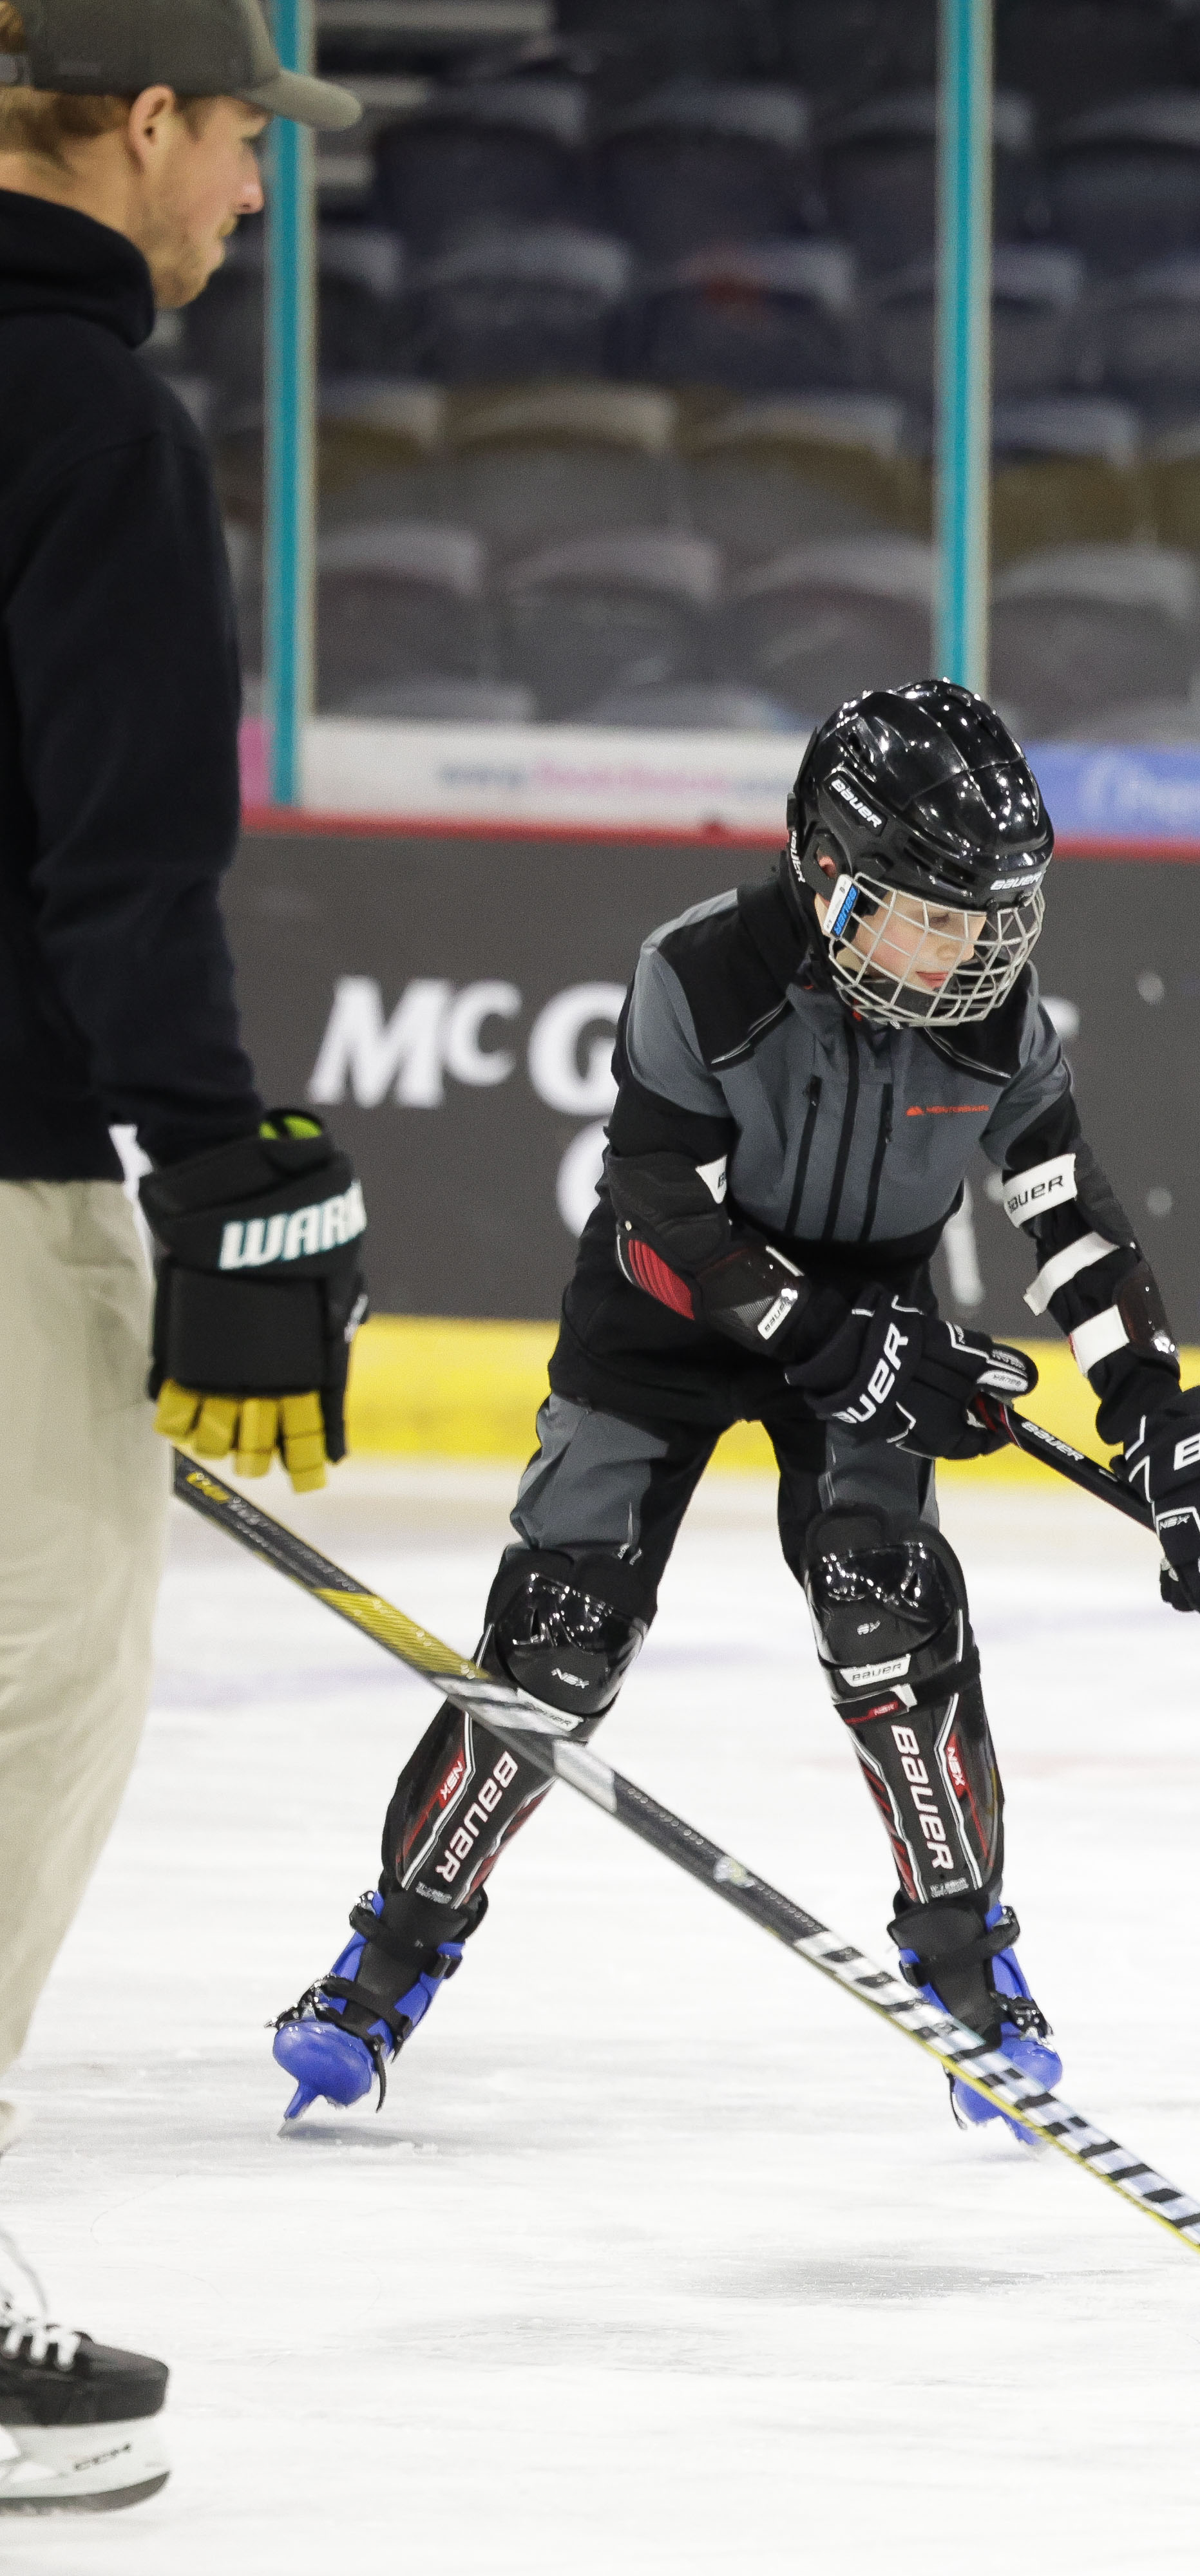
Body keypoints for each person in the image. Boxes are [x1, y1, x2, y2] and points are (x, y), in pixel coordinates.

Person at [265, 680, 1200, 2135]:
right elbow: (660, 1203)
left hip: (870, 1304)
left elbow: (1069, 1214)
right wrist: (828, 1336)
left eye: (988, 920)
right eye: (929, 915)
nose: (965, 954)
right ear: (824, 871)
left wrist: (1161, 1409)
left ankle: (969, 1975)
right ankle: (387, 1962)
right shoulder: (696, 973)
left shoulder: (998, 1027)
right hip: (667, 1319)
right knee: (556, 1642)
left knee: (890, 1607)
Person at [1, 0, 362, 2512]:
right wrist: (221, 1160)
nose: (250, 190)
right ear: (142, 126)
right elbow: (125, 845)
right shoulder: (97, 422)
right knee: (42, 1674)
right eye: (242, 139)